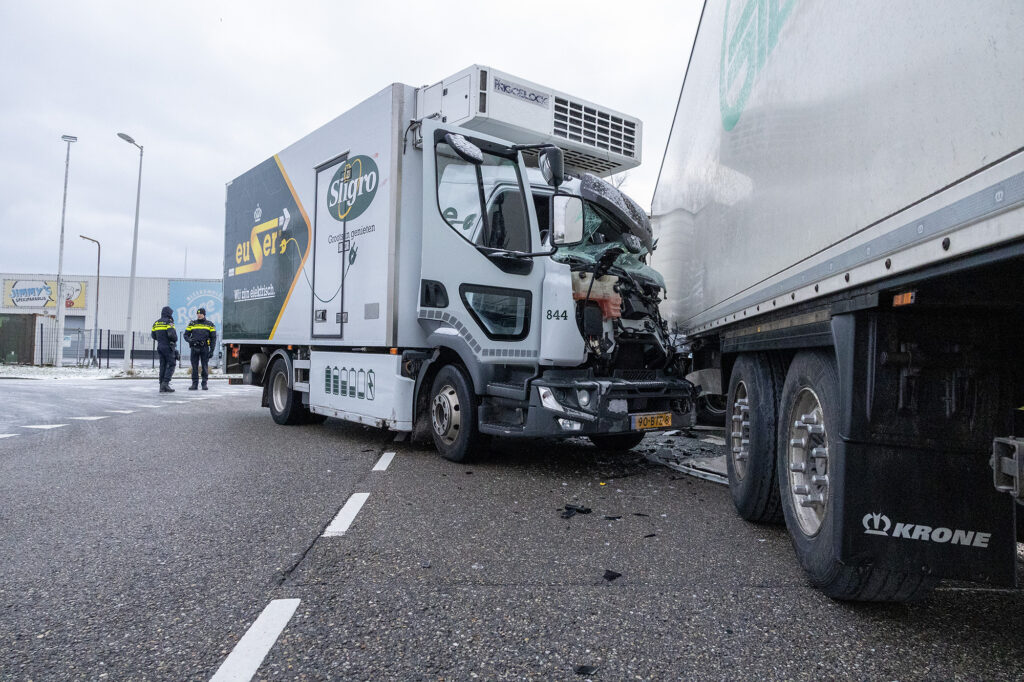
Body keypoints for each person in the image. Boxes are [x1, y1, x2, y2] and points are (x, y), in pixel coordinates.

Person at [183, 307, 217, 390]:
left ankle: (204, 384)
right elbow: (185, 335)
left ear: (204, 314)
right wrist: (190, 341)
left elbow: (213, 338)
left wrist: (212, 350)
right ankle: (194, 384)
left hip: (204, 348)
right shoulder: (192, 323)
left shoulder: (210, 324)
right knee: (194, 367)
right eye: (198, 313)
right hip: (194, 348)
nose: (199, 315)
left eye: (200, 313)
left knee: (204, 367)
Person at [151, 306, 178, 393]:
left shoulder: (156, 323)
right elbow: (172, 335)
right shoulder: (169, 322)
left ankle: (161, 386)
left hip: (160, 346)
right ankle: (165, 383)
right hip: (168, 346)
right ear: (169, 313)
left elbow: (153, 335)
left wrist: (161, 339)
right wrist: (174, 339)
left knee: (163, 365)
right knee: (172, 364)